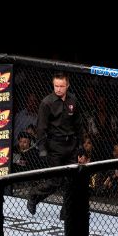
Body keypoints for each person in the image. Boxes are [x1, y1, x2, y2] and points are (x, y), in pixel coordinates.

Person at [26, 72, 83, 218]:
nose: (58, 89)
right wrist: (42, 149)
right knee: (56, 180)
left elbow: (78, 124)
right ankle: (34, 195)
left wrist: (80, 145)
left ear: (67, 85)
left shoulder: (73, 100)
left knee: (71, 181)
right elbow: (41, 128)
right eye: (56, 86)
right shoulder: (47, 103)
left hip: (71, 144)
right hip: (55, 145)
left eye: (61, 86)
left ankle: (66, 213)